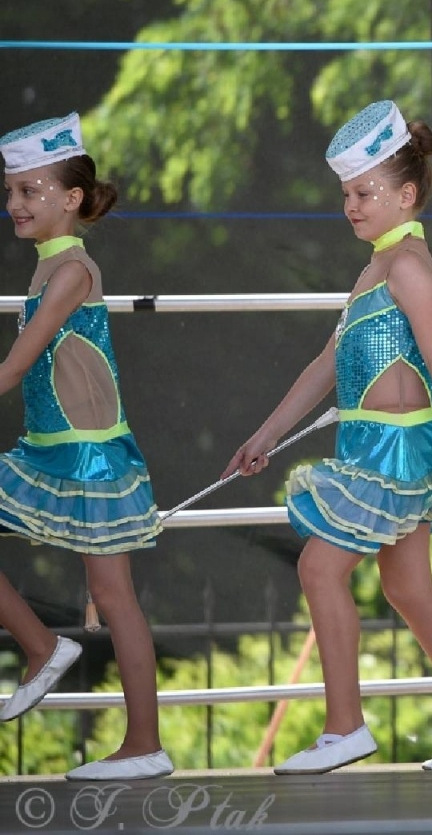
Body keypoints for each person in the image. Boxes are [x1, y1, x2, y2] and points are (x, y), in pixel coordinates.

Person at [225, 100, 432, 773]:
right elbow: (325, 365)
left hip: (395, 451)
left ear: (406, 194)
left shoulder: (409, 268)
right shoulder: (374, 271)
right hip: (369, 448)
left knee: (319, 567)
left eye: (364, 192)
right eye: (347, 195)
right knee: (409, 589)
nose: (351, 206)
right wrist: (266, 434)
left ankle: (345, 727)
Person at [0, 113, 172, 780]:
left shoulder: (71, 269)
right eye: (11, 191)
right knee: (113, 592)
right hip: (48, 449)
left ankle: (144, 744)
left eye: (30, 191)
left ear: (71, 200)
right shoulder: (50, 270)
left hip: (91, 458)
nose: (15, 204)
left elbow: (16, 366)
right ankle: (43, 647)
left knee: (115, 594)